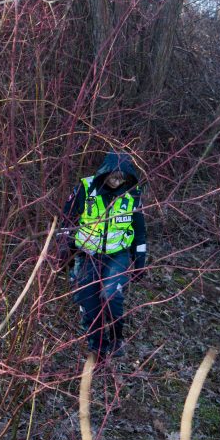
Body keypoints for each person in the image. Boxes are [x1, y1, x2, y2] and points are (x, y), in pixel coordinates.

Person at [61, 151, 147, 358]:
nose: (117, 181)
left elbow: (140, 231)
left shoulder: (132, 195)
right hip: (87, 255)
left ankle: (117, 337)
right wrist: (64, 248)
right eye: (114, 176)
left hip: (117, 255)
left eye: (122, 178)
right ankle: (98, 347)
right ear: (106, 173)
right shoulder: (85, 188)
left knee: (110, 296)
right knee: (88, 302)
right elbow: (67, 219)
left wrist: (139, 262)